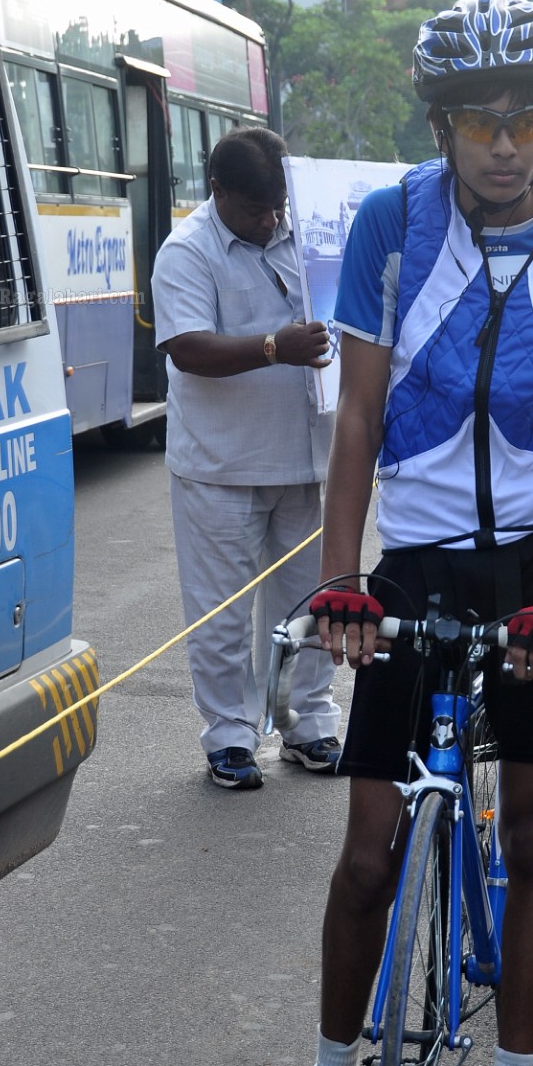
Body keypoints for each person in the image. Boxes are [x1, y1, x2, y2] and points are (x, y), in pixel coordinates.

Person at [242, 0, 533, 1066]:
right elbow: (356, 416)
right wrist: (345, 573)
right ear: (443, 124)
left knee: (532, 832)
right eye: (479, 119)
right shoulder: (391, 224)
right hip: (414, 555)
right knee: (368, 850)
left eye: (528, 116)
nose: (508, 142)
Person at [151, 127, 343, 789]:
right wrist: (272, 348)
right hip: (221, 467)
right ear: (218, 192)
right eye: (255, 209)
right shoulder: (187, 250)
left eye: (276, 207)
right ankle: (229, 737)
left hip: (306, 459)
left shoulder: (304, 234)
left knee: (309, 607)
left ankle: (306, 723)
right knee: (223, 614)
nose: (268, 221)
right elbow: (186, 349)